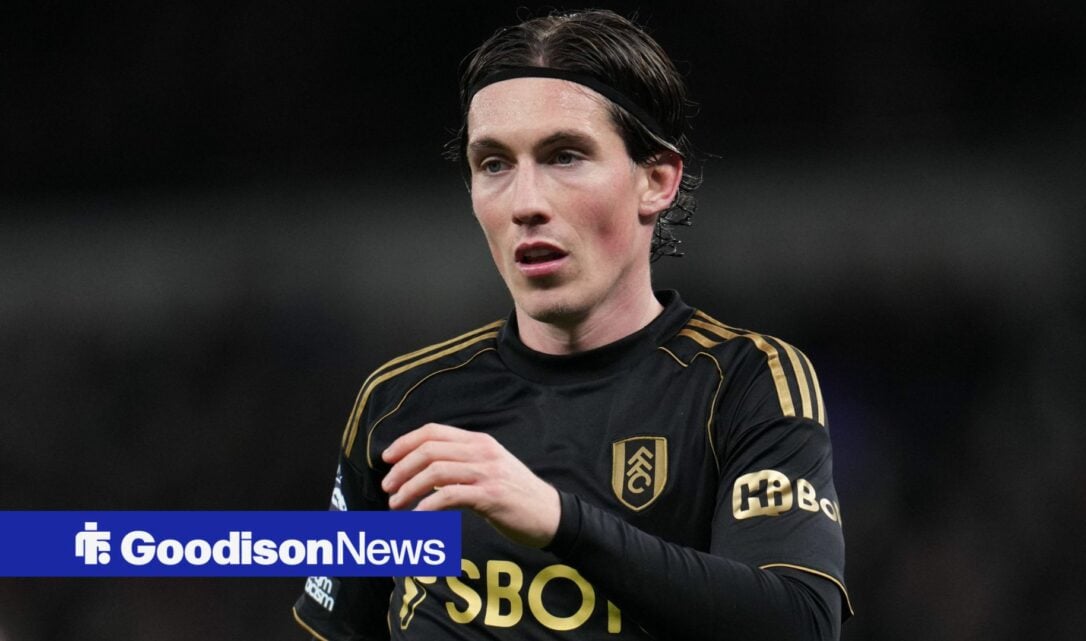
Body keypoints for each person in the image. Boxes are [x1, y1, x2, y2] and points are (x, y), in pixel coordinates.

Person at [293, 9, 851, 640]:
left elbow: (799, 624)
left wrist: (559, 521)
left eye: (564, 156)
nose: (526, 203)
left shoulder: (744, 383)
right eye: (494, 164)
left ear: (657, 179)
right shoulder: (398, 405)